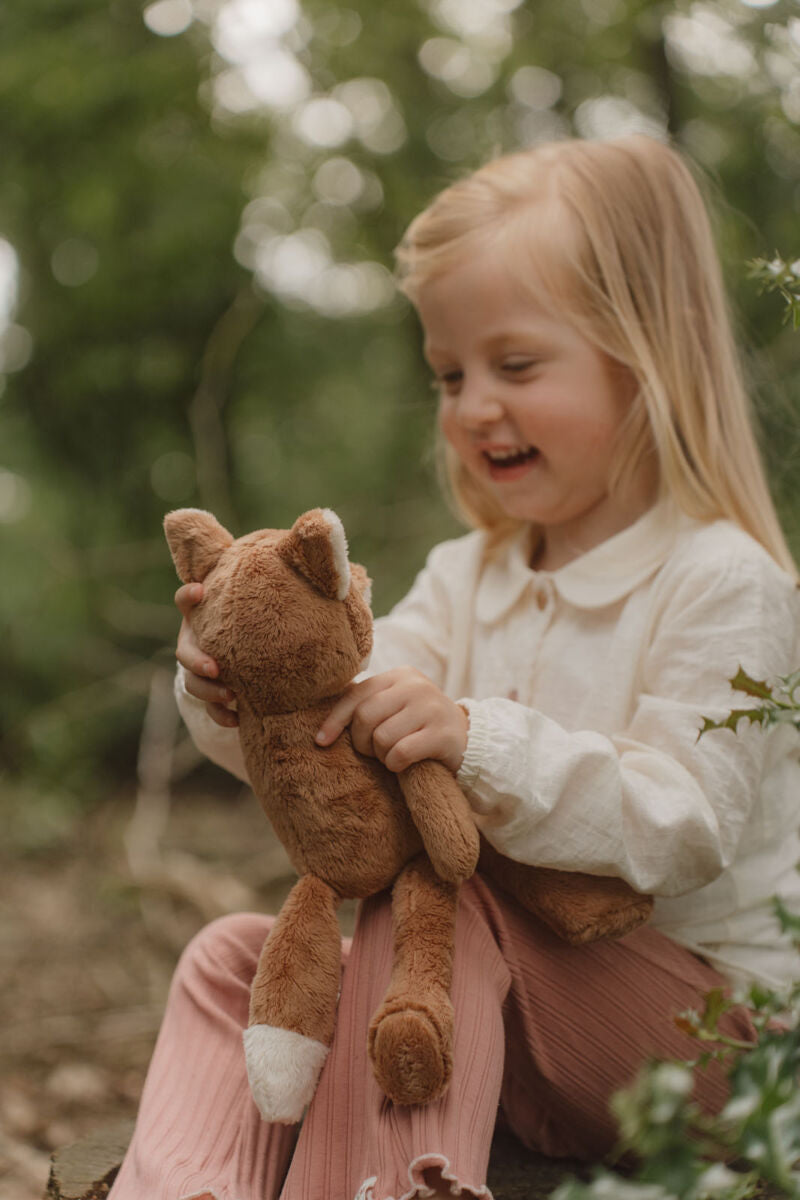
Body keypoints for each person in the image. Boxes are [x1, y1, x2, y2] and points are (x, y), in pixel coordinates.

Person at [112, 135, 800, 1200]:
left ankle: (382, 1186)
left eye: (514, 365)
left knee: (446, 892)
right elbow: (337, 734)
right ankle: (187, 1189)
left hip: (715, 1044)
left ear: (646, 355)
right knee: (228, 959)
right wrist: (242, 689)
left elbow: (685, 825)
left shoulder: (720, 579)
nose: (473, 403)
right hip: (513, 1009)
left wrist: (476, 744)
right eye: (448, 373)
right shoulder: (461, 575)